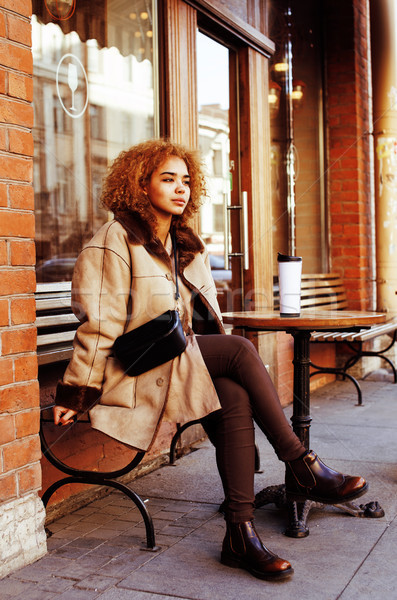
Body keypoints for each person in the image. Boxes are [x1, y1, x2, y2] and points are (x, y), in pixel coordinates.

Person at [53, 139, 368, 582]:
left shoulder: (185, 244)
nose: (180, 189)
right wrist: (77, 392)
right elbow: (99, 325)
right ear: (139, 185)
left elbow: (205, 320)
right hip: (136, 371)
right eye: (167, 179)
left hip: (181, 366)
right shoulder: (114, 241)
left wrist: (209, 362)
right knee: (240, 349)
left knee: (233, 394)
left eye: (185, 181)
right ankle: (303, 464)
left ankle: (240, 536)